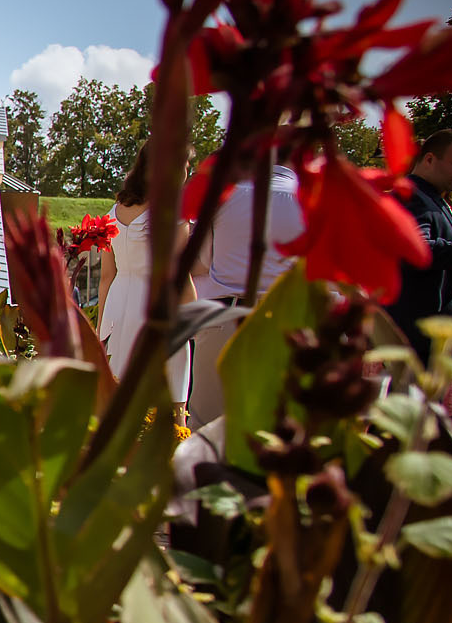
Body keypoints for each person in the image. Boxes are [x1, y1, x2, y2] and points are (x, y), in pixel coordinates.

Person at [187, 160, 305, 428]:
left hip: (223, 317)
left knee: (207, 423)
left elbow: (201, 262)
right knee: (273, 426)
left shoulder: (225, 194)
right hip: (284, 319)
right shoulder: (308, 198)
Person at [388, 131, 452, 424]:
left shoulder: (432, 199)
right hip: (422, 345)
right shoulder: (411, 197)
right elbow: (421, 253)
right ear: (429, 159)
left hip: (436, 347)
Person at [94, 149, 192, 403]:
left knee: (120, 393)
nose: (188, 169)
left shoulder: (114, 211)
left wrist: (99, 327)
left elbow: (106, 276)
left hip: (118, 306)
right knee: (170, 398)